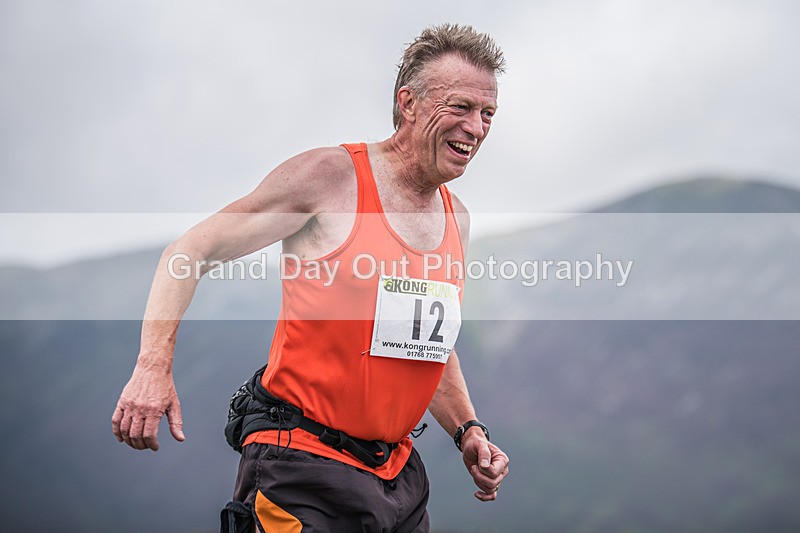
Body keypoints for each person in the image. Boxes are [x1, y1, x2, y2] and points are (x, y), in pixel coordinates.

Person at [112, 23, 510, 532]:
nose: (475, 128)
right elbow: (190, 251)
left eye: (487, 114)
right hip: (300, 469)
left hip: (397, 479)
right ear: (408, 103)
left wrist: (468, 430)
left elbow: (427, 342)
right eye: (460, 107)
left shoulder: (458, 218)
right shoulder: (331, 178)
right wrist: (152, 365)